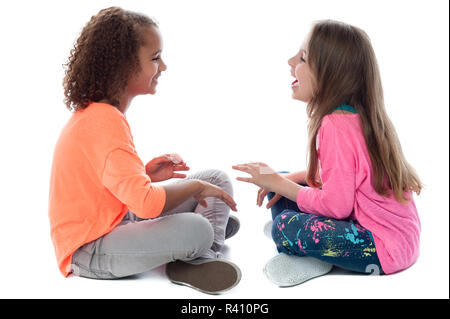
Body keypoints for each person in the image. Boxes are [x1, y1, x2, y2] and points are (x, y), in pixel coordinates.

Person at [48, 7, 241, 295]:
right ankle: (203, 242)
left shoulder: (98, 115)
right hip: (89, 249)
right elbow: (147, 205)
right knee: (197, 226)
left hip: (117, 220)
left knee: (216, 179)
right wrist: (193, 187)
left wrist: (146, 174)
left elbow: (109, 184)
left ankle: (200, 254)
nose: (163, 67)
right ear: (122, 67)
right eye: (155, 58)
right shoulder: (104, 120)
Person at [233, 20, 423, 286]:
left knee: (283, 224)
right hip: (400, 242)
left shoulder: (335, 125)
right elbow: (341, 179)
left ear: (331, 73)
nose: (290, 62)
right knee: (287, 184)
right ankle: (305, 243)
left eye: (302, 58)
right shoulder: (354, 116)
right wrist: (281, 178)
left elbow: (336, 206)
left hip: (381, 250)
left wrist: (278, 183)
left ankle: (308, 252)